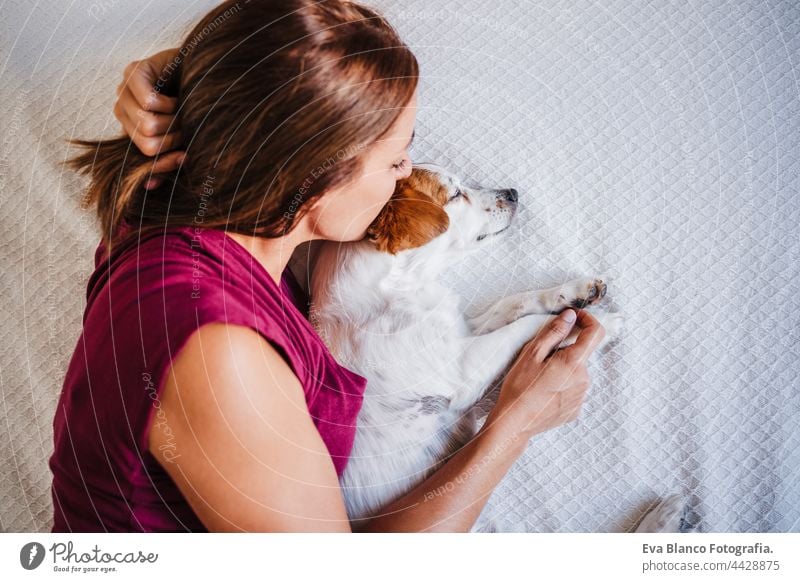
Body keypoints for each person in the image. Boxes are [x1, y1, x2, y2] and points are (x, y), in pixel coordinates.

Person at [50, 0, 606, 533]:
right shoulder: (220, 357)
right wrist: (517, 422)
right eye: (394, 158)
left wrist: (166, 76)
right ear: (312, 177)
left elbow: (254, 88)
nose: (405, 172)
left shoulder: (168, 201)